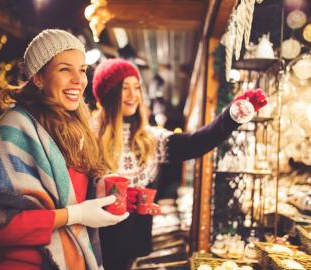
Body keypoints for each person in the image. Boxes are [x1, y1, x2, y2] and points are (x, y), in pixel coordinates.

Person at [0, 29, 128, 270]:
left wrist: (101, 192)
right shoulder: (12, 130)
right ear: (38, 78)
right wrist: (76, 215)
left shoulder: (74, 131)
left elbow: (73, 196)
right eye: (64, 69)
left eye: (81, 69)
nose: (79, 79)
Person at [91, 58, 267, 270]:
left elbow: (194, 144)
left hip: (133, 250)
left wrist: (230, 117)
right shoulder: (90, 138)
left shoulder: (149, 139)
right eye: (124, 88)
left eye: (136, 87)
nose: (133, 95)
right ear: (108, 94)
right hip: (96, 247)